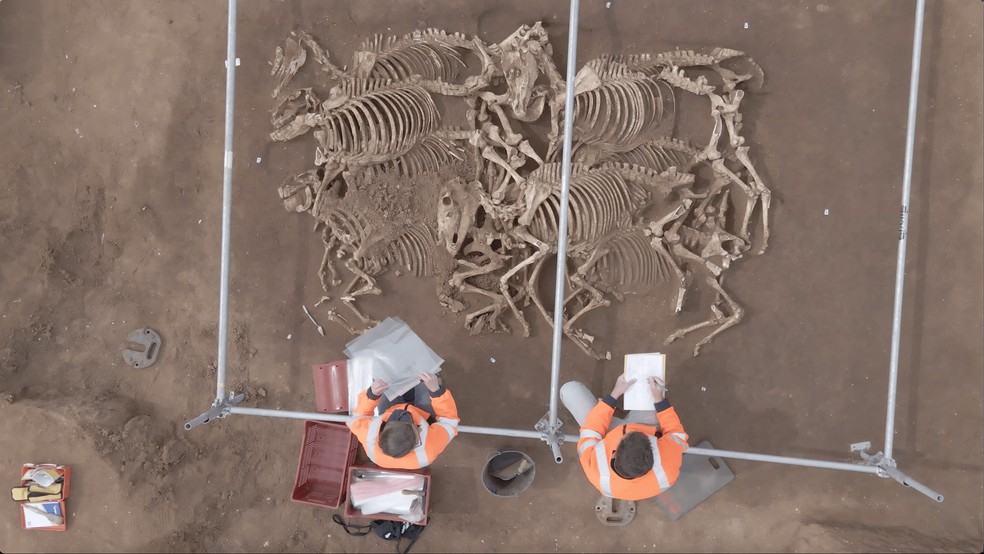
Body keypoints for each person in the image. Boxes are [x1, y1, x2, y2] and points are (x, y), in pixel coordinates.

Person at [562, 375, 688, 500]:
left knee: (569, 390)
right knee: (653, 385)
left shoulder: (594, 466)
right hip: (647, 425)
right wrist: (659, 400)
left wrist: (614, 395)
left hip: (606, 432)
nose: (631, 429)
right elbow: (676, 433)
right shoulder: (668, 467)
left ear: (613, 454)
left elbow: (591, 429)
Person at [348, 372, 460, 469]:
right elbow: (449, 420)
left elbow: (358, 417)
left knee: (383, 379)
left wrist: (372, 395)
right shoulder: (429, 448)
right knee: (427, 376)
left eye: (394, 420)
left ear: (380, 434)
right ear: (418, 438)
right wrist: (436, 392)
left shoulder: (369, 436)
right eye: (410, 423)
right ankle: (431, 377)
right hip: (423, 415)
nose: (402, 414)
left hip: (390, 410)